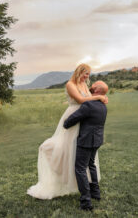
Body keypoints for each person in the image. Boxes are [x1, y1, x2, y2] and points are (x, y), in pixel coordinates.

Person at [27, 64, 107, 199]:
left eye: (89, 74)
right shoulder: (70, 84)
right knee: (65, 147)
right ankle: (64, 178)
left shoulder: (84, 85)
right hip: (74, 116)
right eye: (85, 73)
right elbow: (81, 100)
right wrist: (98, 98)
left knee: (80, 151)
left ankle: (84, 186)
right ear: (79, 71)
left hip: (84, 118)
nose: (87, 76)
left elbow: (90, 98)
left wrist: (102, 96)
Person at [63, 81, 108, 211]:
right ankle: (96, 193)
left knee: (80, 169)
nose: (91, 86)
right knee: (91, 164)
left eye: (94, 85)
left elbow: (73, 119)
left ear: (97, 90)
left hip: (86, 140)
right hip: (97, 140)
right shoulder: (102, 105)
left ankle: (86, 202)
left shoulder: (89, 105)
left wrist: (65, 124)